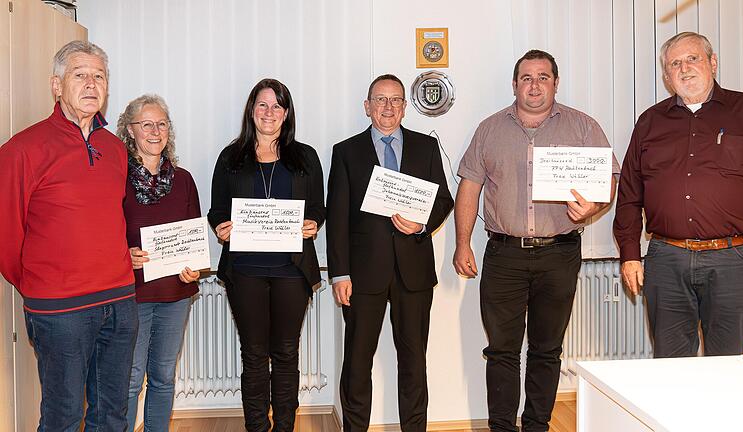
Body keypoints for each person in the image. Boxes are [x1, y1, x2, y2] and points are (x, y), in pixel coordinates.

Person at [452, 50, 619, 432]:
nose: (535, 85)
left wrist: (592, 207)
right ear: (514, 85)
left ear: (556, 83)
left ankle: (537, 426)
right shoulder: (489, 129)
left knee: (547, 350)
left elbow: (607, 179)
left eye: (543, 77)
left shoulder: (583, 127)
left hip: (559, 254)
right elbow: (469, 188)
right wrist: (463, 243)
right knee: (501, 351)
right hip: (503, 255)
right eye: (527, 77)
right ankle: (502, 427)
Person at [0, 40, 137, 430]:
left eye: (100, 76)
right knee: (62, 417)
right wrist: (40, 285)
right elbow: (6, 236)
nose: (92, 84)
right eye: (80, 75)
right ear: (56, 85)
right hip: (60, 311)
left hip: (120, 301)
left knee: (112, 414)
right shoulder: (22, 150)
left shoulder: (115, 149)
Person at [614, 32, 743, 358]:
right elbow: (629, 194)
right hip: (666, 260)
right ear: (667, 76)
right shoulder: (650, 122)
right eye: (674, 64)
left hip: (734, 261)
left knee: (727, 366)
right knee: (670, 365)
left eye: (692, 58)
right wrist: (629, 254)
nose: (684, 68)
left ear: (713, 62)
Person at [326, 74, 454, 432]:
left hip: (413, 272)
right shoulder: (346, 152)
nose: (388, 107)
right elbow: (336, 217)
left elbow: (444, 199)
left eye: (395, 100)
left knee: (414, 362)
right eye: (380, 100)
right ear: (367, 107)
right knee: (357, 363)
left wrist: (421, 223)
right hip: (362, 276)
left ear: (405, 106)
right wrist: (339, 273)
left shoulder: (425, 148)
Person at [207, 78, 325, 432]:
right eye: (262, 104)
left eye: (277, 105)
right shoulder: (231, 157)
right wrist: (220, 227)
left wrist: (313, 223)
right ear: (251, 110)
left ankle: (285, 427)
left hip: (291, 269)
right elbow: (216, 210)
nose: (269, 112)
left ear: (287, 113)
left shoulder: (305, 156)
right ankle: (257, 427)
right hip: (245, 270)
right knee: (254, 356)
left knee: (287, 354)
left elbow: (319, 207)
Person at [117, 94, 201, 431]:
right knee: (131, 378)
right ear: (130, 131)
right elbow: (104, 232)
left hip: (175, 293)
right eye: (147, 124)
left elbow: (193, 233)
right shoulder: (116, 179)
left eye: (162, 124)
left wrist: (194, 267)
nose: (155, 131)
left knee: (164, 376)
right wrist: (125, 255)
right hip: (132, 294)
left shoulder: (183, 180)